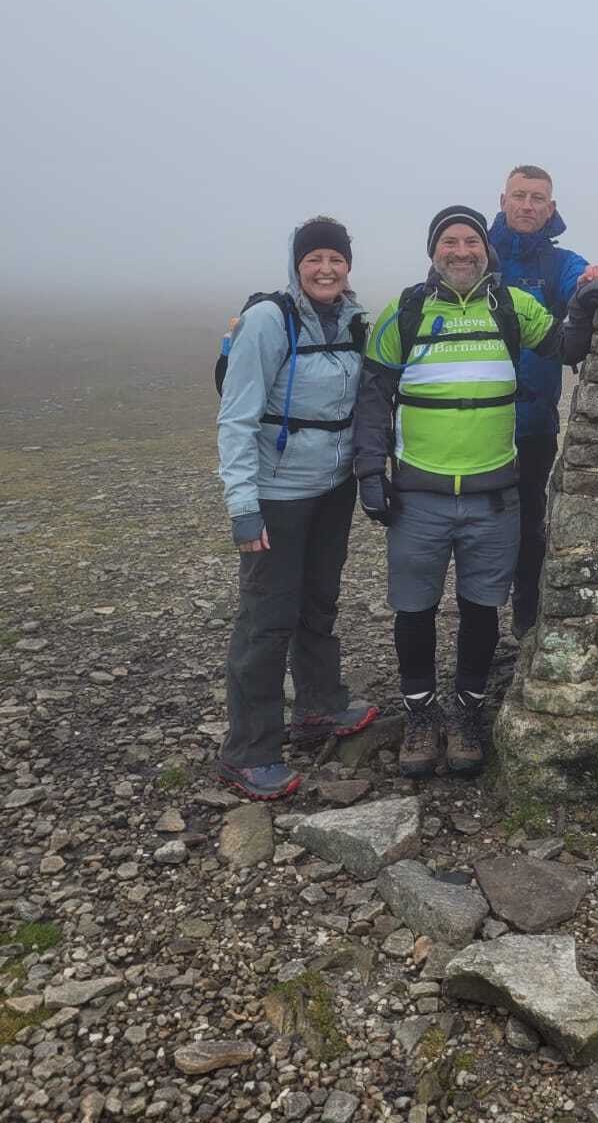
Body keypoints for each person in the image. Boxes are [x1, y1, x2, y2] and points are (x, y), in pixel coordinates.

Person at [352, 204, 598, 777]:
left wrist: (586, 304)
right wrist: (370, 472)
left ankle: (468, 712)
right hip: (417, 497)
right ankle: (422, 716)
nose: (461, 251)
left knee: (481, 607)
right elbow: (373, 398)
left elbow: (568, 348)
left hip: (493, 495)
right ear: (433, 252)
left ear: (486, 251)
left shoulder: (512, 305)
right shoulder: (403, 311)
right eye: (449, 241)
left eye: (471, 241)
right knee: (414, 609)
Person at [216, 218, 379, 800]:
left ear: (348, 266)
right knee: (267, 618)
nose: (326, 269)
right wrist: (243, 506)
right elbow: (236, 418)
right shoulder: (268, 321)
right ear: (297, 264)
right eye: (315, 259)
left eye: (336, 258)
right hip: (276, 495)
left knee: (318, 602)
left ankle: (318, 706)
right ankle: (247, 750)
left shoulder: (358, 321)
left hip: (334, 489)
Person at [488, 164, 598, 639]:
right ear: (503, 200)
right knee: (474, 521)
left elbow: (582, 283)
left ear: (551, 208)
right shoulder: (474, 251)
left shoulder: (559, 264)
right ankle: (475, 613)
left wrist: (595, 279)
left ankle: (525, 614)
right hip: (472, 420)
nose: (527, 206)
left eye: (538, 198)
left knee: (530, 521)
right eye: (519, 196)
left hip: (533, 420)